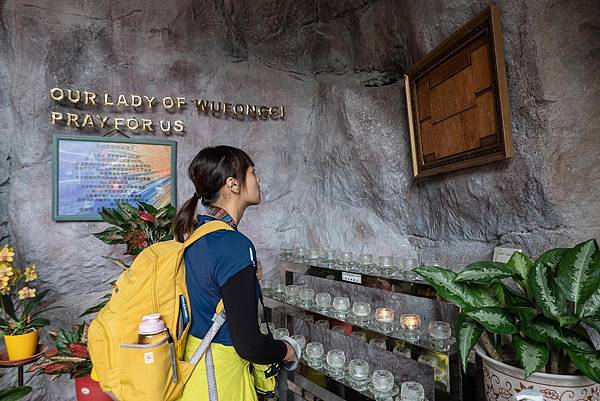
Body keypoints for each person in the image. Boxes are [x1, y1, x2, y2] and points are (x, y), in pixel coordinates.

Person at [174, 146, 297, 401]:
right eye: (253, 172)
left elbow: (209, 298)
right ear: (233, 184)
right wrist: (287, 350)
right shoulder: (234, 245)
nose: (258, 179)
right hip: (221, 383)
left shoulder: (197, 235)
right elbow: (249, 345)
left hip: (195, 375)